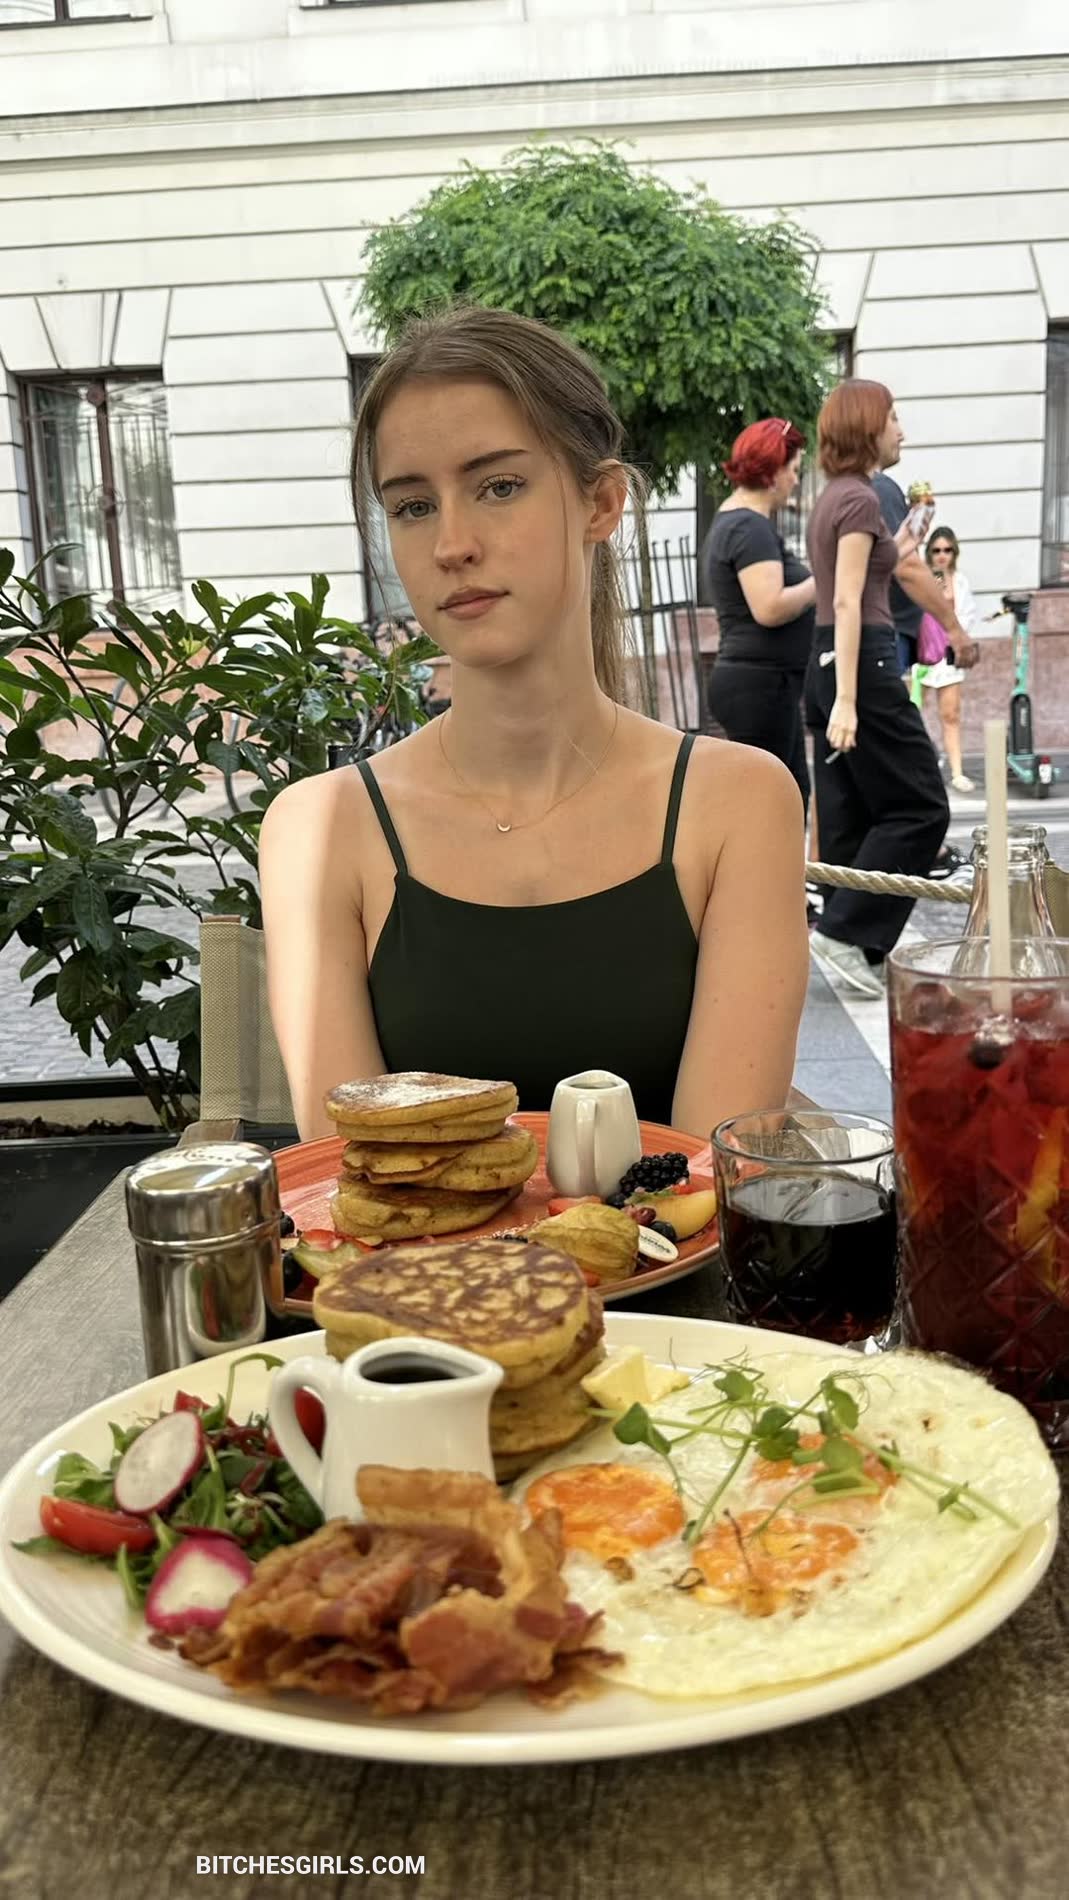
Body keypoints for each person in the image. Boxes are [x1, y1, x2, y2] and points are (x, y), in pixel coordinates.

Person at [259, 306, 809, 1140]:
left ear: (602, 502)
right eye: (412, 506)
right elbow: (355, 1175)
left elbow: (711, 1175)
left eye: (499, 487)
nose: (451, 544)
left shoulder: (738, 804)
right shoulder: (319, 828)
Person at [804, 379, 950, 1000]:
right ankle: (845, 933)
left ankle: (854, 943)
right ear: (868, 428)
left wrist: (909, 536)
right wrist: (847, 698)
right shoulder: (861, 500)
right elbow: (846, 597)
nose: (901, 431)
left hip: (830, 657)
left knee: (855, 812)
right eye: (893, 419)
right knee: (922, 805)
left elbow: (865, 574)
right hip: (861, 661)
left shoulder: (834, 498)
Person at [702, 419, 816, 811]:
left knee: (789, 795)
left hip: (762, 685)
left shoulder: (738, 521)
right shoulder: (749, 528)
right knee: (773, 805)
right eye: (794, 470)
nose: (795, 481)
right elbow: (769, 607)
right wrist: (824, 581)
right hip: (760, 686)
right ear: (772, 471)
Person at [913, 526, 979, 793]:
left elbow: (968, 616)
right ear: (929, 552)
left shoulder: (960, 581)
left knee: (951, 714)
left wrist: (955, 634)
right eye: (937, 550)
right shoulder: (920, 578)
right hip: (923, 654)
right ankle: (916, 767)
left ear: (954, 552)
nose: (942, 555)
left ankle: (957, 772)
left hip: (949, 656)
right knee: (911, 711)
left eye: (947, 550)